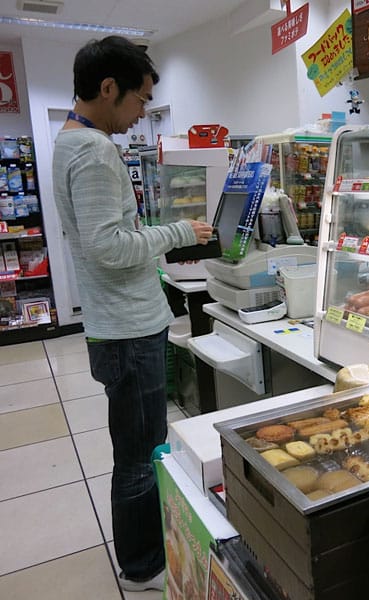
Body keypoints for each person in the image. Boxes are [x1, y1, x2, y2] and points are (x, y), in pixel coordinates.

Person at [51, 36, 214, 593]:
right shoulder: (95, 151)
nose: (143, 112)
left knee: (135, 450)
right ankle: (144, 565)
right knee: (141, 457)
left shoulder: (69, 142)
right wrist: (181, 233)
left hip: (113, 324)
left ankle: (142, 554)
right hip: (127, 329)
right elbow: (109, 246)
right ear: (107, 88)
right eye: (140, 99)